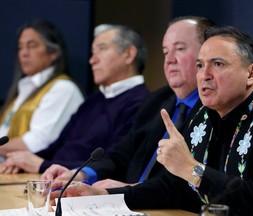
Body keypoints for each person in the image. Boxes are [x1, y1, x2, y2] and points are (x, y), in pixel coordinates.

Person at [42, 15, 214, 203]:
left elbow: (184, 185)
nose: (169, 60)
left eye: (180, 49)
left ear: (207, 54)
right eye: (165, 52)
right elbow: (121, 155)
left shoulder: (215, 109)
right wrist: (80, 174)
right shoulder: (156, 100)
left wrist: (125, 191)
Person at [154, 26, 253, 215]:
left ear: (251, 74)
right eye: (200, 65)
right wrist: (107, 194)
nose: (204, 75)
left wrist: (193, 170)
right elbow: (174, 186)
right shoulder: (204, 115)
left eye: (218, 64)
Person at [0, 24, 150, 174]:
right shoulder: (93, 100)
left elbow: (112, 163)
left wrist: (42, 165)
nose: (92, 60)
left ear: (129, 54)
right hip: (52, 177)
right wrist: (22, 161)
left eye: (102, 49)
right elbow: (57, 147)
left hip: (80, 188)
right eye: (92, 53)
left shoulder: (142, 103)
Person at [0, 20, 84, 162]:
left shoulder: (62, 89)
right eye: (20, 47)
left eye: (32, 46)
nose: (24, 53)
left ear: (54, 53)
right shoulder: (22, 90)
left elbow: (38, 142)